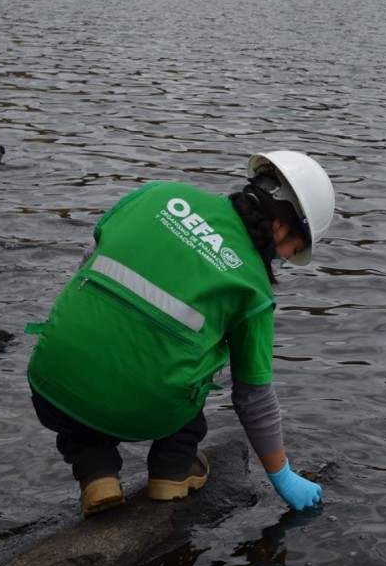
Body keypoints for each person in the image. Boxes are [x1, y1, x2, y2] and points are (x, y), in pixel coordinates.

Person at [25, 150, 334, 517]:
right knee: (199, 363)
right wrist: (282, 475)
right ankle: (172, 469)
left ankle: (96, 472)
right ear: (281, 227)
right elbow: (253, 397)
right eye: (291, 252)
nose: (281, 261)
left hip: (52, 380)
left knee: (99, 347)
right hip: (150, 410)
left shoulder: (157, 194)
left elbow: (86, 269)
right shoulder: (253, 287)